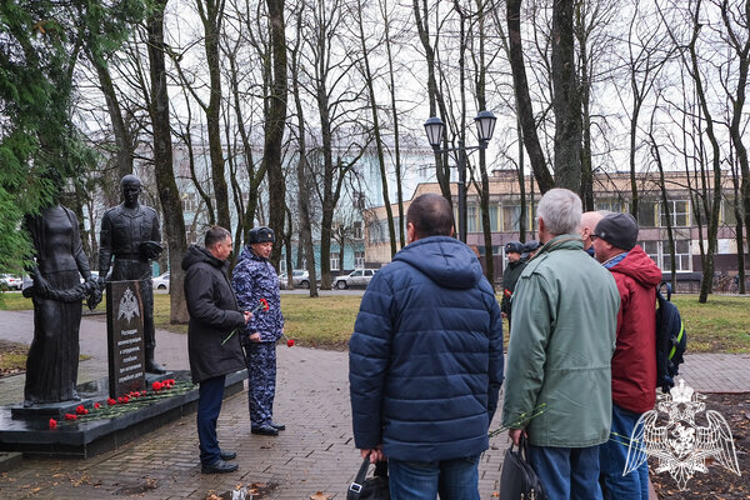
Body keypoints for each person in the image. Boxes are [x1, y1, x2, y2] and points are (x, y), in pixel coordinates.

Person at [349, 193, 504, 499]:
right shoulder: (483, 287)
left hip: (411, 436)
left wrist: (369, 436)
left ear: (410, 230)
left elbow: (367, 365)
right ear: (452, 230)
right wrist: (477, 422)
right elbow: (494, 367)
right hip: (464, 432)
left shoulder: (389, 281)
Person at [502, 189, 620, 500]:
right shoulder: (603, 275)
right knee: (588, 490)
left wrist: (517, 416)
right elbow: (609, 344)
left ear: (540, 224)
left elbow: (526, 356)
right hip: (593, 412)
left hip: (551, 417)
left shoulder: (539, 275)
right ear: (578, 226)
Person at [592, 213, 662, 499]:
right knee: (635, 460)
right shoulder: (641, 274)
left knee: (618, 468)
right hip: (639, 381)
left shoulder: (617, 280)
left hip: (619, 387)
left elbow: (604, 339)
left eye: (595, 238)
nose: (592, 243)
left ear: (607, 243)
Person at [183, 226, 251, 474]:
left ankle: (212, 448)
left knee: (213, 403)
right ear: (218, 246)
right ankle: (209, 458)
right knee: (209, 405)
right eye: (230, 245)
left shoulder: (212, 268)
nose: (232, 250)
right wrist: (235, 318)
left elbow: (216, 303)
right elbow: (201, 310)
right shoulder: (201, 270)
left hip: (216, 347)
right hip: (209, 348)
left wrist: (237, 315)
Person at [23, 204, 101, 406]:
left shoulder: (70, 214)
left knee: (70, 335)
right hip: (48, 278)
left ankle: (68, 388)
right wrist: (37, 278)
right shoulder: (33, 214)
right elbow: (26, 252)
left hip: (71, 278)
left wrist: (88, 279)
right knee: (47, 335)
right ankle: (33, 391)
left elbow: (78, 251)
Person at [99, 174, 166, 374]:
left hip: (142, 267)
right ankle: (123, 359)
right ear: (121, 190)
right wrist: (102, 276)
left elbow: (158, 243)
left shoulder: (150, 215)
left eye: (133, 190)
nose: (129, 194)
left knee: (147, 314)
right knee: (121, 316)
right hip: (121, 267)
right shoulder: (111, 216)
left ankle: (149, 358)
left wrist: (152, 249)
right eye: (126, 189)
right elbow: (105, 249)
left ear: (140, 191)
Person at [231, 226, 285, 436]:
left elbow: (274, 300)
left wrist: (279, 321)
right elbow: (243, 301)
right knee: (259, 378)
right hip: (257, 334)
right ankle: (258, 421)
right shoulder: (245, 268)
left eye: (270, 245)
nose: (268, 248)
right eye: (264, 244)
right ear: (253, 245)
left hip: (270, 331)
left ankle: (266, 417)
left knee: (269, 377)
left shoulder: (268, 267)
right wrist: (251, 329)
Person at [501, 241, 525, 325]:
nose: (508, 256)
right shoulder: (508, 269)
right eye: (507, 253)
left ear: (519, 254)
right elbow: (505, 288)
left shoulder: (525, 268)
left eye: (512, 253)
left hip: (521, 309)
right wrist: (503, 308)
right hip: (510, 309)